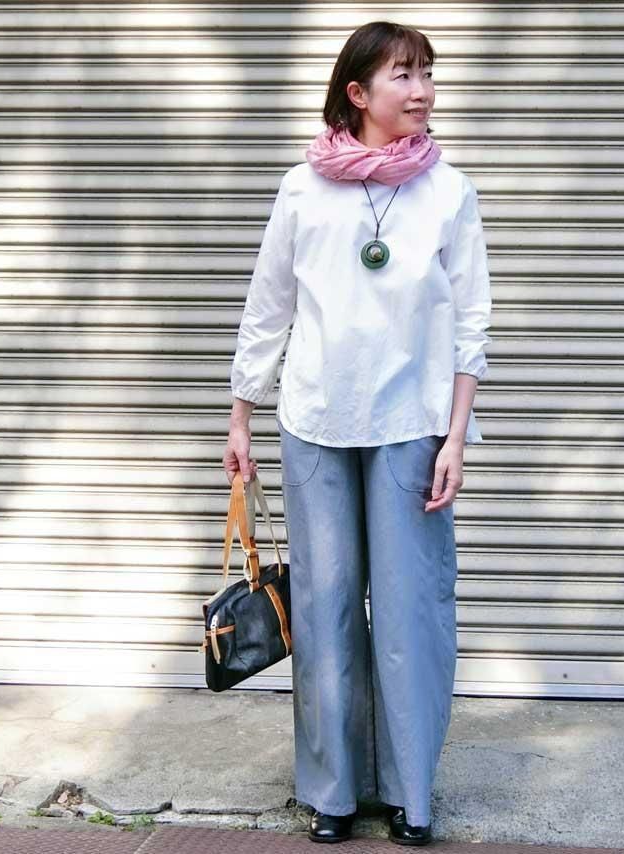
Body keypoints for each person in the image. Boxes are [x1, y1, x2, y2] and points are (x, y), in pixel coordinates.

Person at [223, 20, 492, 846]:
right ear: (357, 91)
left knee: (412, 613)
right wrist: (241, 413)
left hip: (413, 425)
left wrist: (456, 438)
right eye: (403, 75)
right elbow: (270, 304)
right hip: (316, 420)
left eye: (427, 73)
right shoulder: (303, 189)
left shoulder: (448, 191)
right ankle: (334, 791)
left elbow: (471, 323)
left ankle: (412, 794)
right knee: (325, 607)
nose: (422, 91)